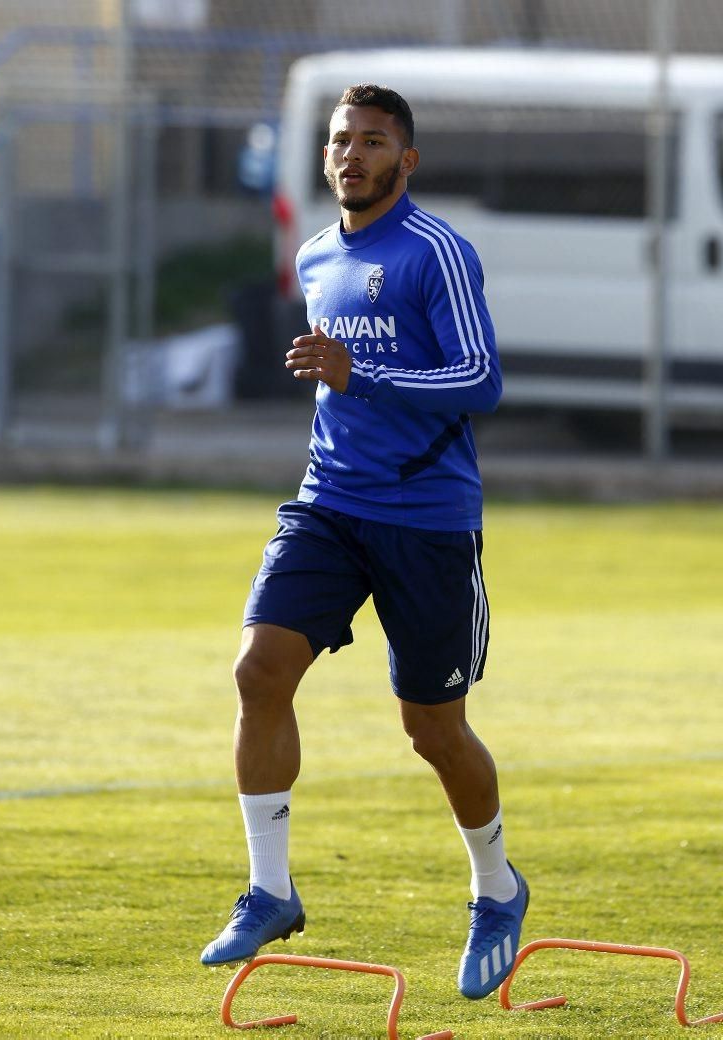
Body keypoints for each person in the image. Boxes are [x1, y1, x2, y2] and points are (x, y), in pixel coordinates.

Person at [200, 83, 528, 1000]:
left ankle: (497, 889)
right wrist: (340, 379)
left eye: (373, 141)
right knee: (257, 670)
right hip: (329, 504)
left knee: (434, 729)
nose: (352, 154)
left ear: (406, 160)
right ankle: (269, 889)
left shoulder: (436, 253)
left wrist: (362, 370)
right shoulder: (312, 257)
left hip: (426, 520)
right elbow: (333, 383)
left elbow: (480, 379)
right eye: (341, 140)